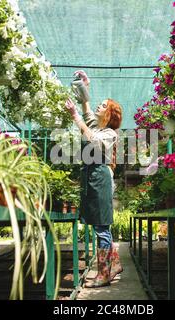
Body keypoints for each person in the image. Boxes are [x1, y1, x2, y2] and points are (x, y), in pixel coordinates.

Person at [65, 70, 123, 288]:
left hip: (100, 176)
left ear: (109, 114)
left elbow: (92, 140)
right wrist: (84, 84)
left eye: (103, 105)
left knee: (101, 227)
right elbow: (86, 106)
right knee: (97, 224)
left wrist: (75, 118)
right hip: (91, 176)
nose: (99, 106)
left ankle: (104, 274)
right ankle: (114, 264)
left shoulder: (110, 133)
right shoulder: (96, 124)